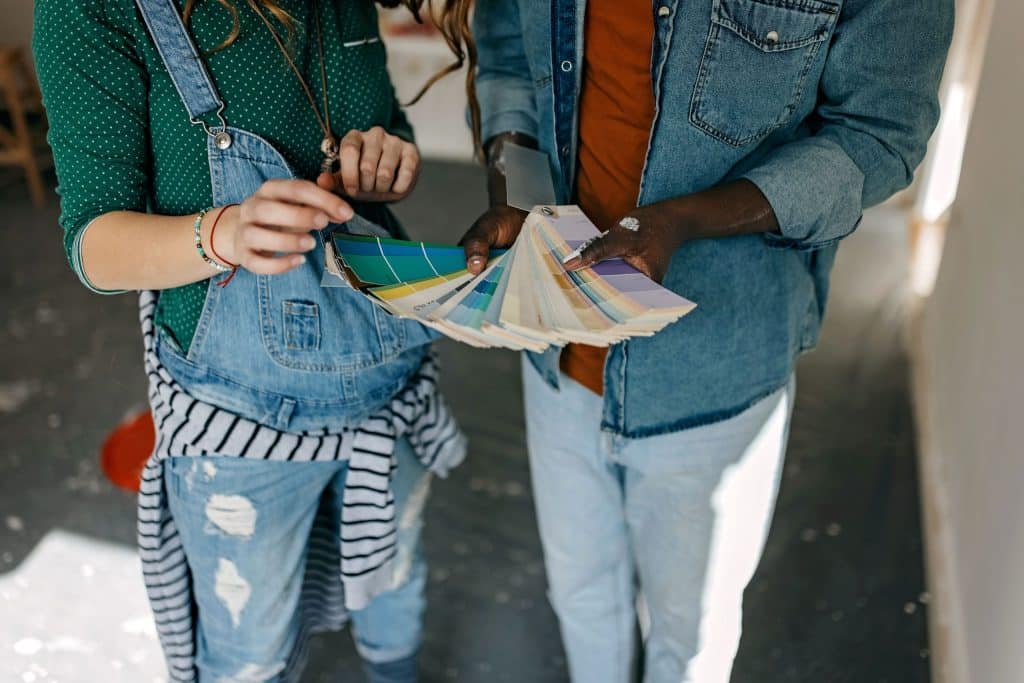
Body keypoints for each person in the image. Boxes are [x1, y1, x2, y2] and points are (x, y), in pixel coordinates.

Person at [462, 1, 953, 681]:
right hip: (556, 347)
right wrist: (516, 188)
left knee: (689, 637)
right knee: (579, 595)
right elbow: (509, 51)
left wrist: (686, 220)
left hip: (714, 370)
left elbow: (881, 132)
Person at [33, 0, 475, 681]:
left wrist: (388, 158)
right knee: (251, 652)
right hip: (239, 424)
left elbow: (388, 125)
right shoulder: (91, 12)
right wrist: (224, 234)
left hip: (388, 381)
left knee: (392, 587)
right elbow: (95, 243)